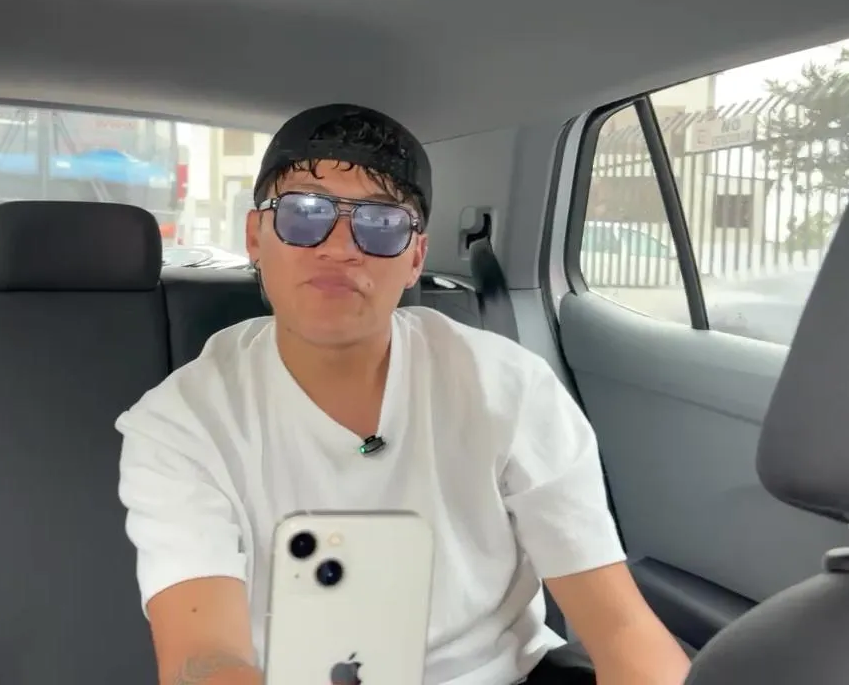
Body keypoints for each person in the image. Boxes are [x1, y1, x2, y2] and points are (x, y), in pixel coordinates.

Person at [116, 103, 691, 685]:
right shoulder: (182, 422)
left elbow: (621, 629)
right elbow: (205, 658)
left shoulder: (508, 387)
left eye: (381, 224)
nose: (340, 246)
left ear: (415, 257)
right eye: (305, 214)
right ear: (255, 237)